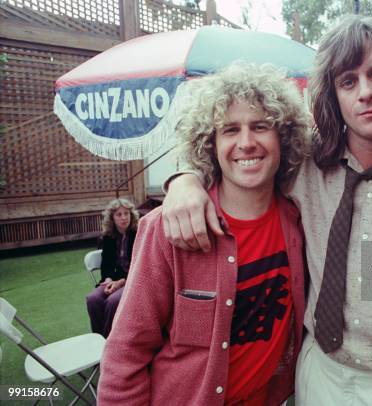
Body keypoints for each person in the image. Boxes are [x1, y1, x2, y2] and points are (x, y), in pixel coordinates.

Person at [162, 16, 372, 405]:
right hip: (315, 368)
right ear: (333, 96)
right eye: (348, 81)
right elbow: (240, 154)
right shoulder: (304, 165)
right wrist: (184, 179)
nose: (366, 92)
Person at [97, 64, 309, 405]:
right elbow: (125, 353)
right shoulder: (166, 228)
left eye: (260, 126)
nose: (246, 142)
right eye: (229, 130)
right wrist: (183, 180)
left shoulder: (298, 217)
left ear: (283, 136)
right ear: (210, 143)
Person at [85, 198, 139, 338]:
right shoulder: (108, 237)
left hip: (134, 280)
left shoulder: (139, 234)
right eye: (119, 214)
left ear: (131, 215)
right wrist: (109, 279)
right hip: (113, 280)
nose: (123, 218)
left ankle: (110, 340)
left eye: (126, 213)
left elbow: (140, 265)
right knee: (93, 299)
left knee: (112, 302)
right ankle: (98, 339)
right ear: (112, 218)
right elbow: (106, 263)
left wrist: (120, 282)